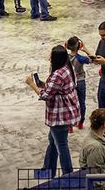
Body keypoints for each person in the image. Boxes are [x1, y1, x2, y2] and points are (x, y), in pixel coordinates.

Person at [26, 44, 81, 176]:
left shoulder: (57, 74)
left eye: (51, 55)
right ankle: (48, 170)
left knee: (61, 146)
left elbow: (45, 95)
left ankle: (68, 175)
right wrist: (45, 85)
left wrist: (32, 84)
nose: (49, 57)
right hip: (67, 112)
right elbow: (57, 88)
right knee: (53, 141)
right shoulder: (68, 68)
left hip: (60, 115)